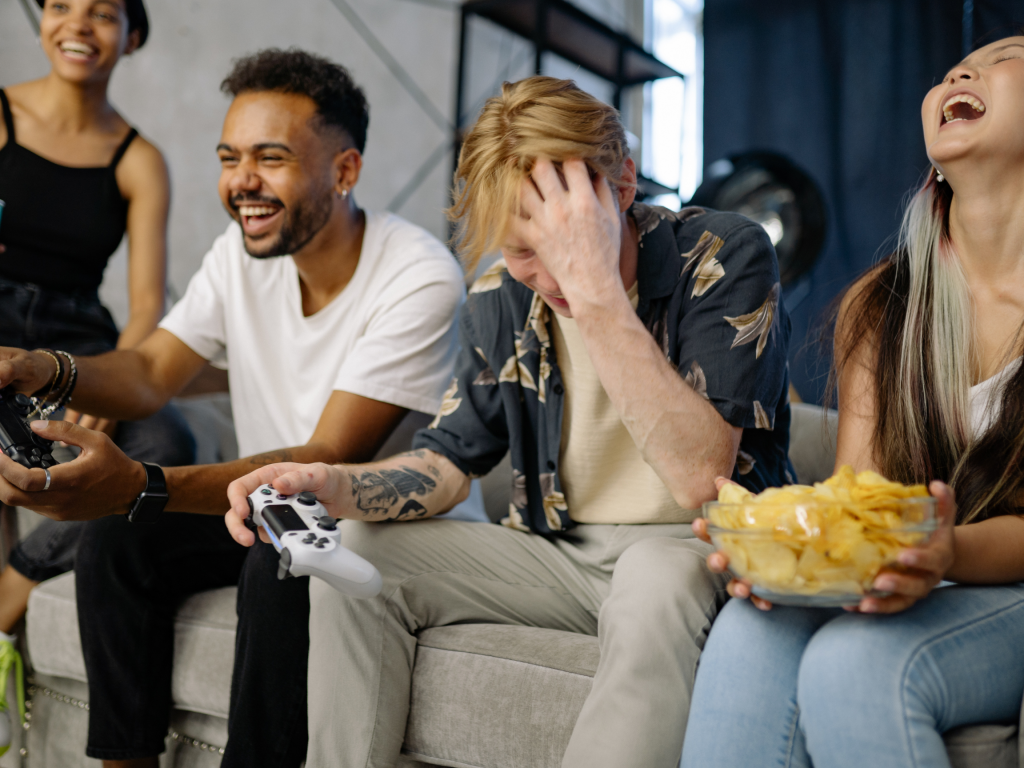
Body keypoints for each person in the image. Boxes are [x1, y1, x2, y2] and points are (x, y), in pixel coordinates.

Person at [224, 75, 794, 768]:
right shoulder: (499, 297)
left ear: (621, 186)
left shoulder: (723, 253)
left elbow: (700, 478)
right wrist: (328, 484)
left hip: (693, 545)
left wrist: (595, 290)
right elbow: (444, 464)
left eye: (563, 244)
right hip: (559, 552)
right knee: (363, 551)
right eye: (521, 251)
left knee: (652, 577)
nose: (545, 275)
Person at [0, 49, 474, 768]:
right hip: (257, 509)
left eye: (270, 157)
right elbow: (151, 371)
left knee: (279, 558)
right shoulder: (238, 255)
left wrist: (139, 483)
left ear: (344, 171)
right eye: (229, 157)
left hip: (376, 520)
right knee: (117, 541)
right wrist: (42, 369)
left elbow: (325, 456)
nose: (241, 182)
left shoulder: (418, 276)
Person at [681, 33, 1024, 768]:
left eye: (1007, 57)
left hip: (1007, 583)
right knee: (750, 626)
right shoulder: (883, 301)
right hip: (924, 571)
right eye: (957, 66)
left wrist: (949, 551)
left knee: (855, 663)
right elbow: (860, 494)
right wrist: (785, 551)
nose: (962, 69)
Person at [0, 0, 195, 744]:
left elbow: (146, 307)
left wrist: (101, 384)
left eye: (104, 12)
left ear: (132, 35)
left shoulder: (139, 159)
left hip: (75, 343)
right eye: (60, 5)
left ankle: (15, 585)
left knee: (169, 445)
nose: (79, 24)